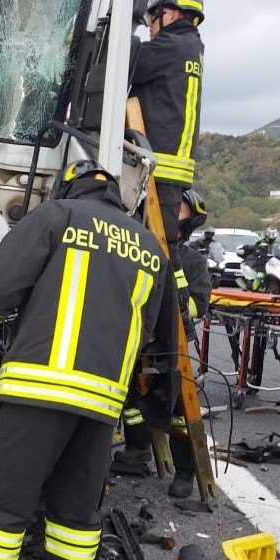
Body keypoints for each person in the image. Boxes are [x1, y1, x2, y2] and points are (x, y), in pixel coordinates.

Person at [0, 159, 176, 560]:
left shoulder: (56, 217)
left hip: (38, 395)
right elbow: (148, 330)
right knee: (75, 522)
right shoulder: (150, 247)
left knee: (4, 513)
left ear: (70, 187)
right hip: (100, 407)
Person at [115, 189, 212, 498]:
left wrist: (176, 298)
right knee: (129, 395)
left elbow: (198, 305)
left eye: (179, 208)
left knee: (180, 407)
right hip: (141, 335)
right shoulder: (141, 247)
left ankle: (185, 472)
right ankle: (137, 450)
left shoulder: (193, 262)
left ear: (189, 220)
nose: (172, 210)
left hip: (172, 341)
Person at [130, 0, 205, 290]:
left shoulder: (172, 46)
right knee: (165, 254)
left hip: (159, 170)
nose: (149, 27)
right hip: (170, 171)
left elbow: (123, 62)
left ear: (171, 14)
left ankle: (176, 320)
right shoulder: (189, 48)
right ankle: (179, 319)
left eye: (153, 18)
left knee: (161, 256)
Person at [244, 227, 279, 291]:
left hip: (273, 261)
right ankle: (254, 287)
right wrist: (259, 252)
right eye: (271, 234)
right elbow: (256, 250)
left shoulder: (277, 243)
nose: (272, 236)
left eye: (273, 234)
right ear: (267, 234)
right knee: (261, 273)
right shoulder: (261, 242)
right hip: (263, 260)